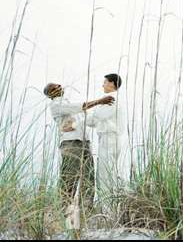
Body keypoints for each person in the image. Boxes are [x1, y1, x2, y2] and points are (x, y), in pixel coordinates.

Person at [43, 83, 115, 213]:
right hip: (71, 143)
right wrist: (100, 101)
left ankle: (86, 211)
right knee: (70, 178)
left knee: (88, 177)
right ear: (50, 94)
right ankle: (63, 211)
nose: (58, 86)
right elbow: (79, 107)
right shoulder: (56, 104)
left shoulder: (67, 103)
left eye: (58, 84)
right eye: (53, 88)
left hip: (84, 143)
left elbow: (88, 117)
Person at [63, 74, 125, 207]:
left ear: (112, 84)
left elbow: (96, 117)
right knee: (104, 175)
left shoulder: (112, 99)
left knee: (106, 176)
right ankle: (106, 207)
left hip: (110, 140)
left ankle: (110, 209)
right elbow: (95, 121)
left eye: (105, 82)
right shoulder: (109, 100)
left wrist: (73, 125)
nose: (102, 85)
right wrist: (78, 121)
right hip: (107, 140)